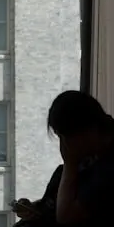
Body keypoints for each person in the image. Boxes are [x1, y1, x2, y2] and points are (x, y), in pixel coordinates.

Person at [46, 90, 114, 225]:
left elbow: (66, 216)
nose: (63, 146)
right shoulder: (96, 155)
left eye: (63, 137)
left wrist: (69, 164)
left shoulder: (108, 170)